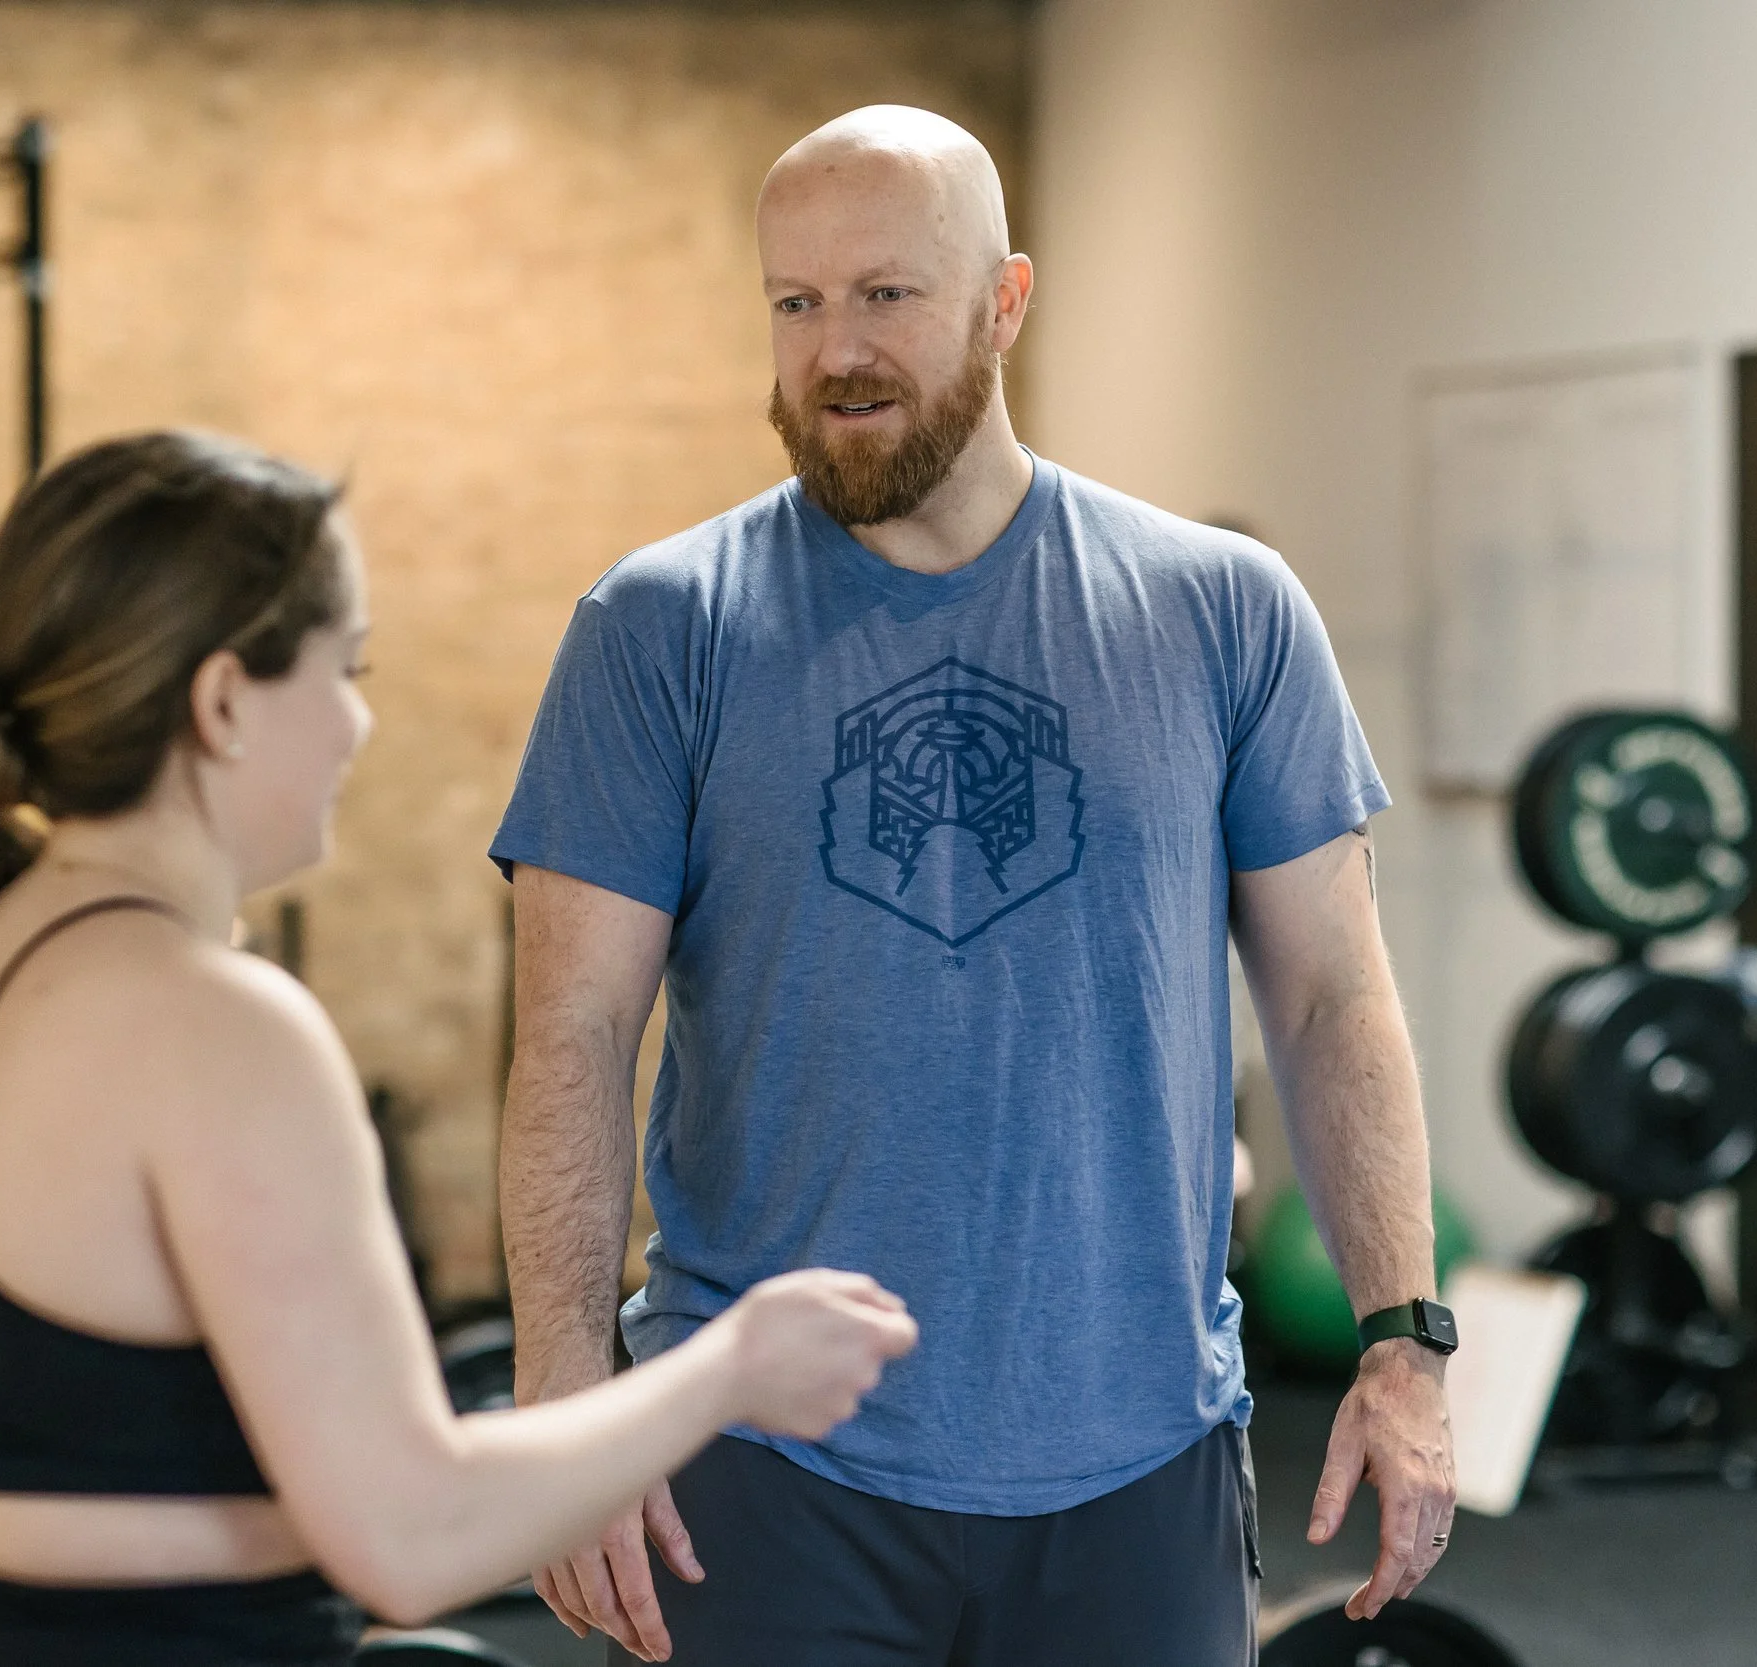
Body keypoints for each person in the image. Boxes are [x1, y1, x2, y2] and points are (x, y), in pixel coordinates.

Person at [491, 105, 1459, 1667]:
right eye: (794, 303)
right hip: (760, 1460)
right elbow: (574, 1037)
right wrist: (562, 1394)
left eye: (887, 294)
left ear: (1007, 301)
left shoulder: (1220, 610)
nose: (835, 351)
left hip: (1136, 1453)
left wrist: (1403, 1345)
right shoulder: (655, 626)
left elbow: (1337, 997)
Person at [0, 429, 917, 1666]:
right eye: (344, 668)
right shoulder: (222, 1029)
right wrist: (735, 1364)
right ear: (220, 703)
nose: (358, 725)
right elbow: (409, 1533)